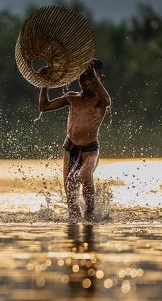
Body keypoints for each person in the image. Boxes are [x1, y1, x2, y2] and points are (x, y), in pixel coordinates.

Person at [37, 59, 111, 221]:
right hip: (70, 148)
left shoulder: (100, 101)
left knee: (81, 178)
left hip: (90, 151)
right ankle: (75, 225)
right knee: (71, 197)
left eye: (91, 79)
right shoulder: (72, 97)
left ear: (101, 80)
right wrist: (45, 83)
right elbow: (44, 106)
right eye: (82, 78)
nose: (86, 82)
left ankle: (91, 217)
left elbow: (108, 101)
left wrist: (93, 76)